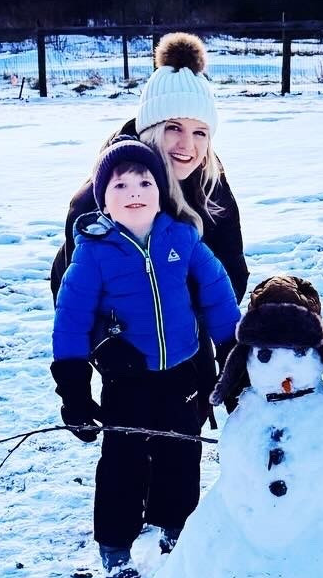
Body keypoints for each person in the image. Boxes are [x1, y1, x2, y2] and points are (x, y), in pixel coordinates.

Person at [51, 138, 241, 578]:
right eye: (120, 184)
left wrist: (232, 353)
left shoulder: (182, 237)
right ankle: (115, 548)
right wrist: (74, 392)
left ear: (160, 190)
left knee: (182, 451)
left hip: (182, 373)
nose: (134, 191)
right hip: (127, 380)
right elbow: (71, 320)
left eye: (145, 181)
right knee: (123, 461)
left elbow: (216, 292)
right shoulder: (93, 253)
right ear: (103, 198)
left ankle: (177, 531)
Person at [50, 36, 248, 423]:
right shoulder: (105, 196)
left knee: (181, 469)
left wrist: (224, 350)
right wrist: (98, 351)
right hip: (125, 365)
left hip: (187, 361)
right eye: (174, 127)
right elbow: (70, 292)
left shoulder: (208, 182)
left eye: (200, 132)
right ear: (150, 128)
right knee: (126, 471)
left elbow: (229, 272)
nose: (187, 145)